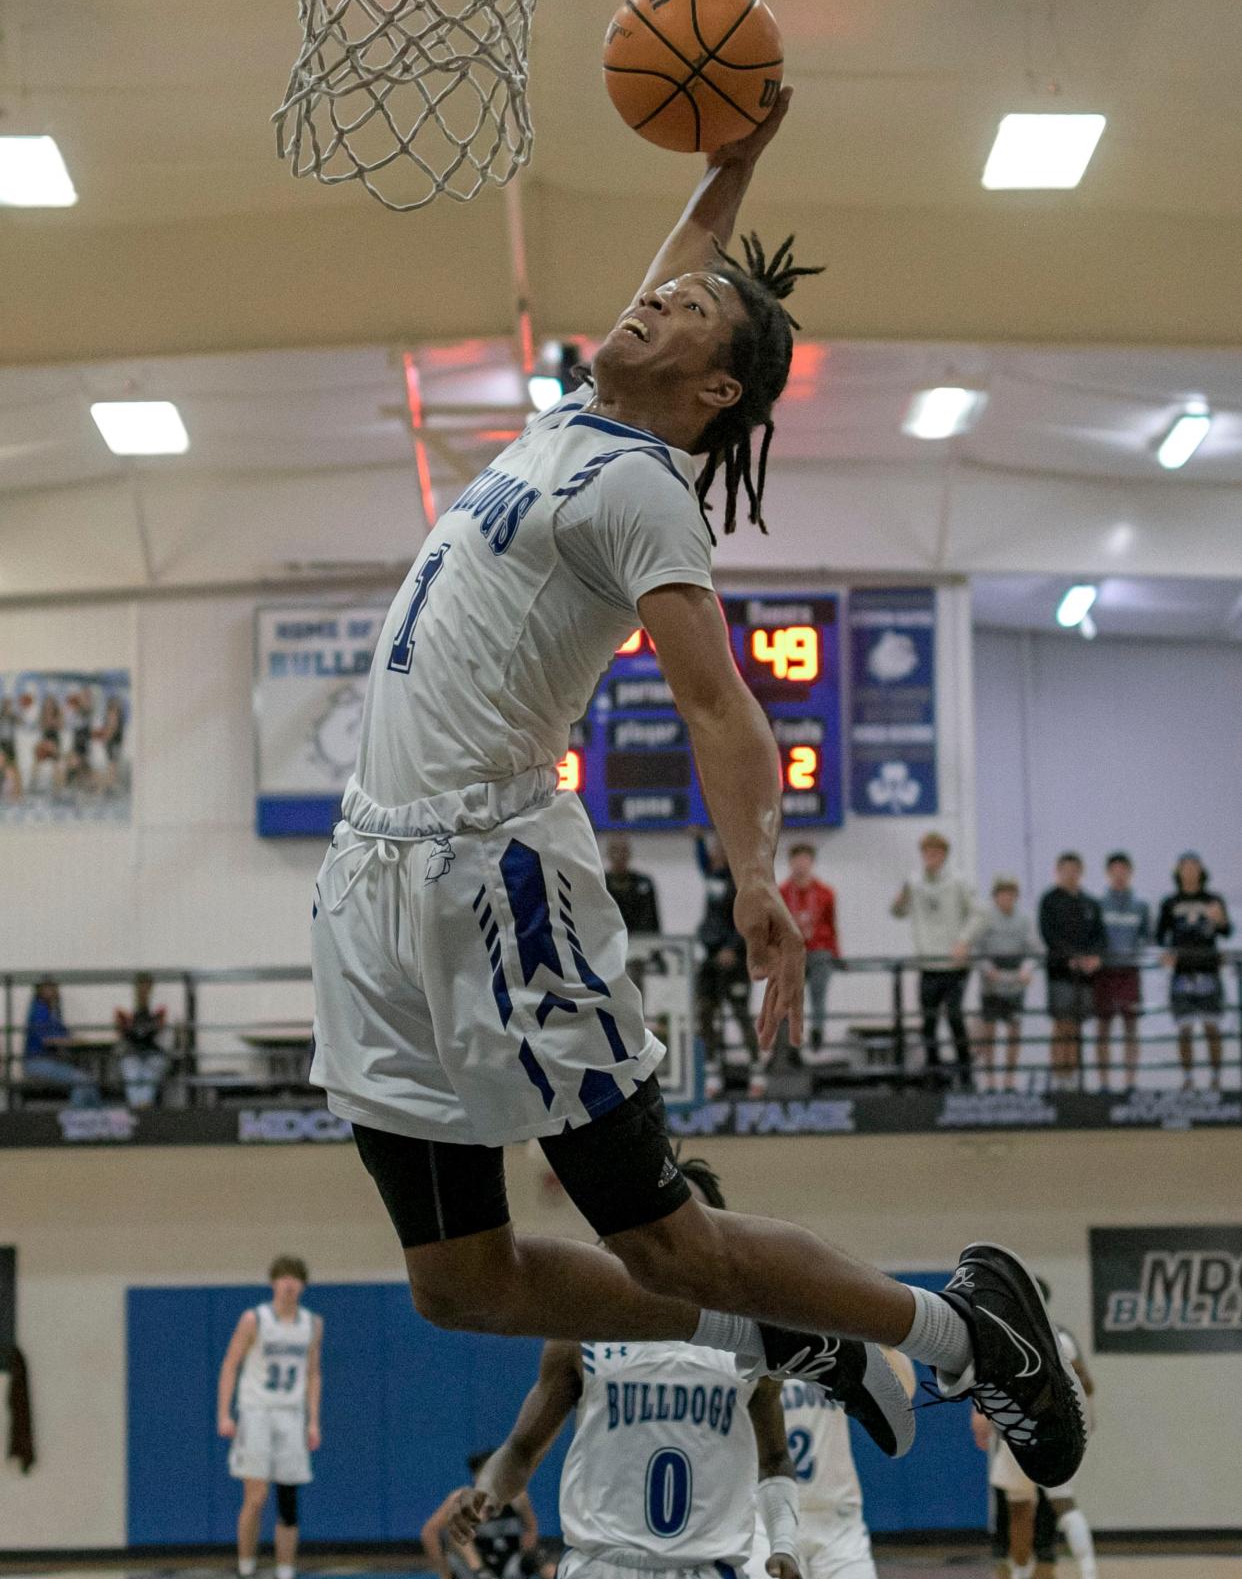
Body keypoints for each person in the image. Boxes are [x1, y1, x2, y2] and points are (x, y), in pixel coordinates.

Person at [308, 84, 1085, 1494]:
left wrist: (753, 883)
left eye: (678, 315)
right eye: (655, 295)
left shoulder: (642, 487)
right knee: (459, 1286)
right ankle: (786, 1336)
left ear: (711, 391)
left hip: (494, 889)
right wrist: (738, 160)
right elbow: (690, 262)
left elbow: (719, 704)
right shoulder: (571, 415)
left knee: (661, 1237)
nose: (650, 304)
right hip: (367, 883)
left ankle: (965, 1335)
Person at [439, 1159, 801, 1579]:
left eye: (687, 1222)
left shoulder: (749, 1340)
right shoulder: (581, 1331)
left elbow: (776, 1461)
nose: (669, 1236)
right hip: (600, 1566)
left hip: (706, 1567)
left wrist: (785, 1543)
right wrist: (486, 1490)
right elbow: (520, 1450)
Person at [749, 1343, 916, 1579]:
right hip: (765, 1517)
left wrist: (864, 1327)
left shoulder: (829, 1336)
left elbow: (903, 1392)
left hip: (836, 1517)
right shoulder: (747, 1340)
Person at [977, 1277, 1098, 1579]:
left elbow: (991, 1388)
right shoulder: (1057, 1338)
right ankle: (1084, 1570)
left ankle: (1032, 1572)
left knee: (1028, 1506)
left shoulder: (1011, 1338)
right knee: (1052, 1504)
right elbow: (1087, 1386)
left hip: (1026, 1432)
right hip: (1041, 1433)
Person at [217, 1255, 322, 1579]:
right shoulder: (255, 1319)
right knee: (257, 1496)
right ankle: (246, 1566)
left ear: (303, 1285)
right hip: (257, 1412)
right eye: (283, 1277)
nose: (289, 1284)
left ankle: (285, 1570)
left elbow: (313, 1374)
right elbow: (230, 1364)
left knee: (289, 1500)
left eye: (295, 1278)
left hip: (291, 1415)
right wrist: (224, 1413)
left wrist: (313, 1420)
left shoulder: (312, 1324)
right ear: (273, 1283)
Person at [890, 832, 978, 1089]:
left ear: (944, 855)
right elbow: (898, 911)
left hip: (954, 963)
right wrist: (900, 897)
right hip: (928, 963)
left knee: (954, 1018)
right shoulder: (914, 881)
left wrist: (963, 940)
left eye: (936, 852)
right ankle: (934, 1073)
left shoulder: (958, 881)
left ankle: (965, 1074)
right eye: (927, 852)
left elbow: (978, 914)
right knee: (928, 1023)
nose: (931, 857)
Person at [1156, 853, 1232, 1090]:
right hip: (1182, 973)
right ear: (1178, 871)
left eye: (1194, 867)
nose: (1189, 871)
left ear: (1201, 870)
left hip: (1208, 971)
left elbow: (1227, 931)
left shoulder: (1213, 899)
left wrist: (1219, 921)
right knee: (1184, 1028)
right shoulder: (1170, 902)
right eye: (1185, 867)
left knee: (1212, 1026)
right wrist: (1166, 954)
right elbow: (1159, 935)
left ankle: (1216, 1078)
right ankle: (1188, 1078)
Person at [695, 828, 762, 1095]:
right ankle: (712, 1070)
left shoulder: (742, 881)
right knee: (705, 1012)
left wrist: (733, 948)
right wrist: (698, 842)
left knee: (740, 1014)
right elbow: (702, 863)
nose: (715, 854)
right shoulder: (714, 878)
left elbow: (747, 920)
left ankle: (756, 1070)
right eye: (713, 850)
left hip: (735, 961)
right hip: (711, 958)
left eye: (720, 850)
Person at [1037, 855, 1105, 1091]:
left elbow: (1099, 936)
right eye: (1065, 869)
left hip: (1084, 976)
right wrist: (1070, 957)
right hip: (1059, 973)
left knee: (1076, 1025)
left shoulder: (1090, 903)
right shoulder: (1049, 900)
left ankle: (1073, 1076)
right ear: (1057, 871)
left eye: (1074, 869)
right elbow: (1048, 935)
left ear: (1081, 871)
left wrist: (1093, 957)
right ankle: (1059, 1075)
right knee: (1061, 1024)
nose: (1070, 873)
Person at [423, 1450, 542, 1579]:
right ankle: (480, 1571)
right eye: (486, 1474)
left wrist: (526, 1554)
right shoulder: (462, 1498)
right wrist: (445, 1573)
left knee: (542, 1563)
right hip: (473, 1568)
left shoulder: (517, 1496)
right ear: (476, 1477)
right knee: (458, 1532)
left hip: (506, 1562)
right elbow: (430, 1532)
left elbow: (531, 1527)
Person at [970, 878, 1041, 1094]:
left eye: (1010, 894)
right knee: (989, 1032)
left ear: (1016, 896)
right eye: (1002, 894)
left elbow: (1036, 949)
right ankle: (990, 1080)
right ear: (995, 896)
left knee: (1014, 1032)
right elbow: (975, 947)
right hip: (990, 984)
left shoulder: (1024, 920)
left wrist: (1027, 969)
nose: (1006, 898)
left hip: (1016, 984)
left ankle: (1009, 1080)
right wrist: (987, 968)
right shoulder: (985, 918)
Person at [1094, 853, 1150, 1093]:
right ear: (1108, 873)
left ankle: (1130, 1083)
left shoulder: (1141, 906)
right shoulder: (1098, 905)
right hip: (1104, 973)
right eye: (1114, 870)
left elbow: (1147, 937)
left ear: (1130, 873)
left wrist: (1135, 953)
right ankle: (1104, 1083)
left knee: (1131, 1027)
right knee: (1103, 1027)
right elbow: (1093, 938)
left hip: (1130, 972)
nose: (1119, 874)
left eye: (1123, 870)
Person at [778, 843, 839, 1056]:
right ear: (790, 863)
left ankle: (817, 1031)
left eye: (805, 860)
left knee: (818, 994)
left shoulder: (825, 893)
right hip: (793, 953)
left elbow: (831, 925)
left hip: (819, 949)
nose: (801, 865)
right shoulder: (782, 893)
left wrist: (836, 953)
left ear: (812, 863)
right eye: (797, 860)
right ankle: (792, 1042)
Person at [22, 981, 101, 1105]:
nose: (53, 990)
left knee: (89, 1082)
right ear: (39, 991)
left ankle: (96, 1117)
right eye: (48, 987)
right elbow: (48, 1039)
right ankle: (74, 1119)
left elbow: (63, 1033)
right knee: (82, 1081)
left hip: (51, 1062)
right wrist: (72, 1041)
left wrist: (74, 1039)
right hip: (38, 1062)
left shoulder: (53, 1012)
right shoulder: (39, 1010)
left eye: (54, 987)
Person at [113, 975, 169, 1107]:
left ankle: (142, 1107)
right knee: (132, 1072)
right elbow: (122, 1033)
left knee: (149, 1073)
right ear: (135, 989)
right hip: (131, 1052)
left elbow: (161, 1035)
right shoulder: (125, 1009)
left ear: (151, 989)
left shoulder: (159, 1009)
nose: (143, 991)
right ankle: (140, 1108)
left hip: (154, 1053)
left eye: (147, 987)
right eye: (141, 987)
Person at [604, 837, 662, 936]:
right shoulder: (601, 885)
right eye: (615, 850)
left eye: (624, 850)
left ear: (629, 854)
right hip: (609, 943)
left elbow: (652, 921)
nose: (619, 855)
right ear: (608, 854)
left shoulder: (644, 884)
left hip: (639, 944)